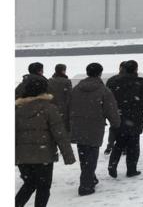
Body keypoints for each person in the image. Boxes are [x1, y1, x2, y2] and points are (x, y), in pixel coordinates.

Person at [16, 74, 76, 207]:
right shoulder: (49, 108)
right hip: (44, 156)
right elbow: (59, 134)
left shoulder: (17, 110)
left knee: (29, 184)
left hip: (22, 156)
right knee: (43, 187)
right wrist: (68, 156)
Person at [69, 62, 121, 196]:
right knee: (91, 156)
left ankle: (90, 178)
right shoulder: (103, 90)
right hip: (94, 126)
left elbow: (69, 106)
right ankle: (86, 186)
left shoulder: (76, 89)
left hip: (78, 125)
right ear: (100, 73)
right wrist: (116, 123)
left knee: (83, 155)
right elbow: (111, 109)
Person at [106, 60, 143, 178]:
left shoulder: (112, 81)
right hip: (135, 116)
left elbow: (107, 99)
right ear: (136, 69)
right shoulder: (141, 82)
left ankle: (112, 164)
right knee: (133, 143)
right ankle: (131, 169)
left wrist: (108, 114)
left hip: (118, 115)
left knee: (119, 142)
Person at [104, 61, 127, 155]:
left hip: (113, 107)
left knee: (114, 127)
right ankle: (124, 147)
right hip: (127, 108)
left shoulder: (111, 80)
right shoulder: (131, 80)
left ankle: (110, 145)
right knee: (125, 127)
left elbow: (105, 95)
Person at [47, 63, 72, 133]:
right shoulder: (66, 81)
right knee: (64, 131)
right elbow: (69, 96)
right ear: (63, 71)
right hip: (64, 109)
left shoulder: (49, 81)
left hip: (51, 108)